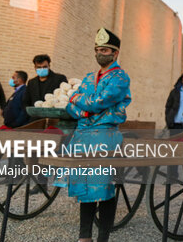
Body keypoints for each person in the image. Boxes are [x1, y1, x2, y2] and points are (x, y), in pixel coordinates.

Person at [63, 28, 131, 242]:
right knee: (84, 187)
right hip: (83, 137)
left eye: (105, 50)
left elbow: (100, 101)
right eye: (97, 49)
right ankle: (84, 237)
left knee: (104, 187)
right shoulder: (89, 77)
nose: (100, 53)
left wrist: (81, 102)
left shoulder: (120, 77)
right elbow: (70, 105)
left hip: (105, 136)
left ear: (115, 53)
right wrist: (84, 109)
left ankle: (103, 238)